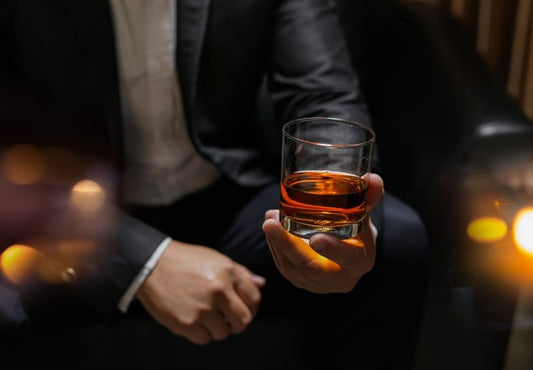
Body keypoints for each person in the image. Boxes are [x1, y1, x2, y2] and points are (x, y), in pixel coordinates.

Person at [0, 0, 426, 369]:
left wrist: (334, 224)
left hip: (221, 198)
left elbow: (323, 95)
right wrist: (143, 260)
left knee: (396, 243)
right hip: (61, 217)